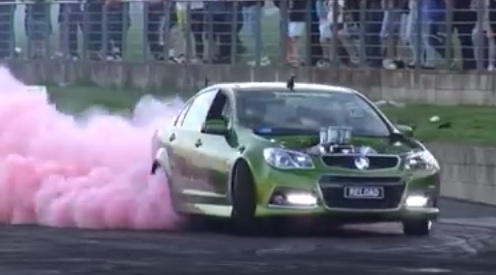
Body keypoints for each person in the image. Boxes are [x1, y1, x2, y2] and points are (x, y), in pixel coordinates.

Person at [286, 0, 306, 65]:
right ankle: (294, 58)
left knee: (293, 39)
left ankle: (297, 59)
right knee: (290, 39)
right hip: (293, 18)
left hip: (298, 18)